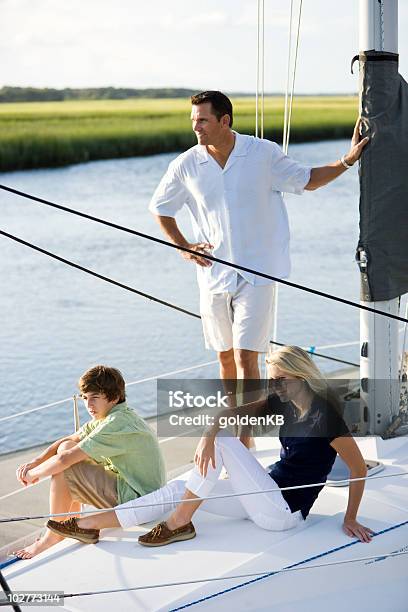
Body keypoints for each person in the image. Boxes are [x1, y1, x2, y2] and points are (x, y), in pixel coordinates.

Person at [148, 90, 368, 445]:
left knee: (245, 357)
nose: (196, 128)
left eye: (202, 120)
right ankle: (239, 432)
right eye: (193, 121)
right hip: (213, 275)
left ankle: (243, 437)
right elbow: (161, 207)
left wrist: (347, 160)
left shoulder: (261, 153)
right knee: (224, 359)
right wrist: (183, 245)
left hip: (258, 274)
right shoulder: (186, 164)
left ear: (224, 120)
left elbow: (308, 179)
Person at [47, 346, 373, 547]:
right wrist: (206, 438)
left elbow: (358, 468)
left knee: (224, 443)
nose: (274, 385)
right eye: (271, 379)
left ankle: (178, 523)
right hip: (262, 496)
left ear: (301, 376)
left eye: (280, 379)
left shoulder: (326, 416)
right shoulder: (284, 402)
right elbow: (226, 413)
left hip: (284, 512)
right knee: (180, 486)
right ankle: (89, 526)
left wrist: (351, 518)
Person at [14, 365, 166, 558]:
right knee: (67, 447)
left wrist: (32, 475)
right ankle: (71, 521)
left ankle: (53, 535)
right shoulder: (111, 416)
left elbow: (64, 460)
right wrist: (37, 461)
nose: (88, 404)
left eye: (94, 397)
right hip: (135, 491)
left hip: (140, 502)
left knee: (67, 466)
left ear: (114, 397)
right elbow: (70, 439)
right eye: (85, 398)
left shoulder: (117, 423)